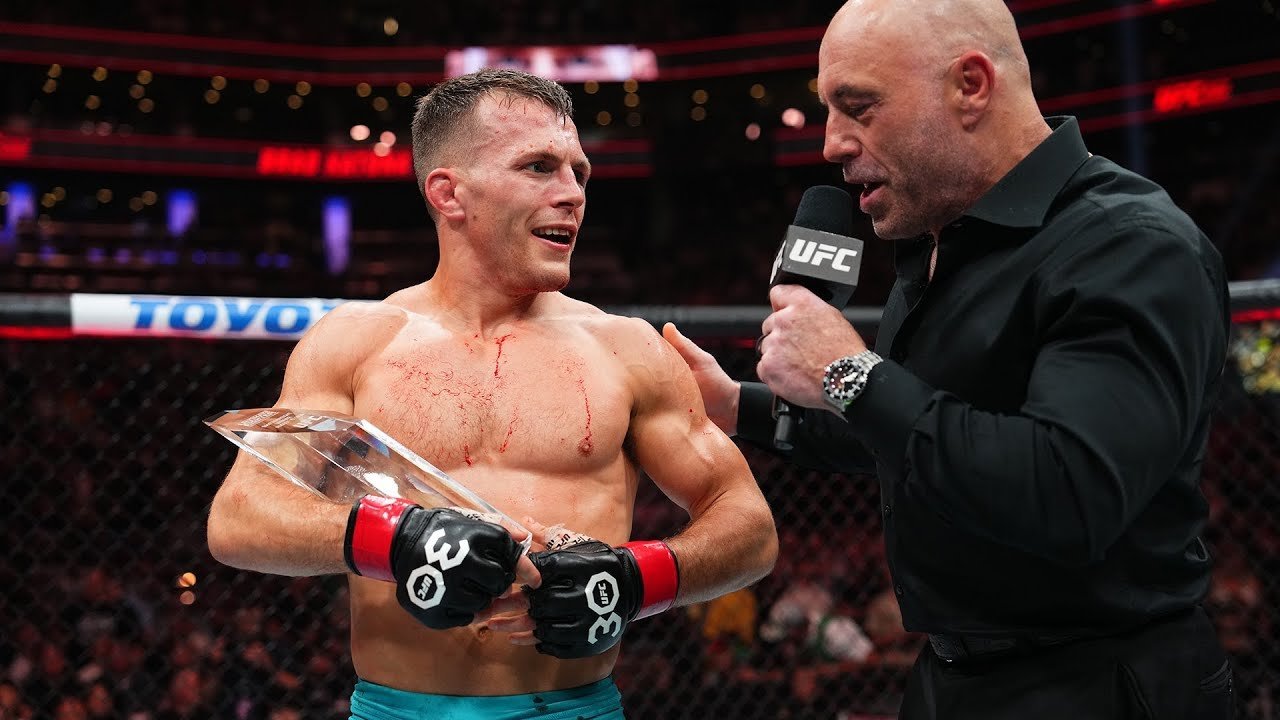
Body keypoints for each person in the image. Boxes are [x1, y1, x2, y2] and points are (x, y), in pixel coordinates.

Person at [663, 1, 1234, 718]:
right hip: (949, 678)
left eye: (859, 107)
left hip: (1101, 686)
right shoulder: (947, 239)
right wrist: (734, 404)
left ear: (971, 86)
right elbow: (920, 434)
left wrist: (849, 372)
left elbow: (1067, 492)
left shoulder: (1130, 245)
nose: (832, 143)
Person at [207, 68, 777, 720]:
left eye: (579, 173)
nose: (573, 194)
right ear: (449, 193)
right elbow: (240, 518)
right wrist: (397, 539)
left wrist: (633, 579)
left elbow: (750, 528)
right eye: (539, 167)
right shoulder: (354, 341)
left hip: (573, 709)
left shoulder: (627, 348)